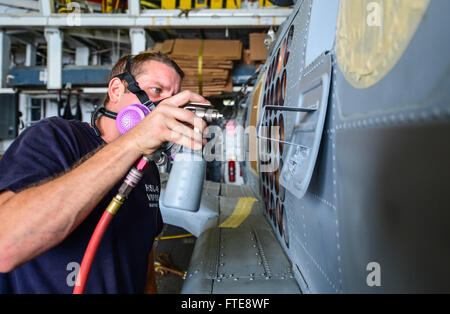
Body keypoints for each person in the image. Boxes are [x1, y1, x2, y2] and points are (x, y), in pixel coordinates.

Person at [0, 52, 208, 293]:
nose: (166, 106)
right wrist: (135, 142)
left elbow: (143, 257)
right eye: (156, 91)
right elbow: (6, 244)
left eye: (174, 97)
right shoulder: (56, 137)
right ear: (116, 90)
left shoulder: (146, 167)